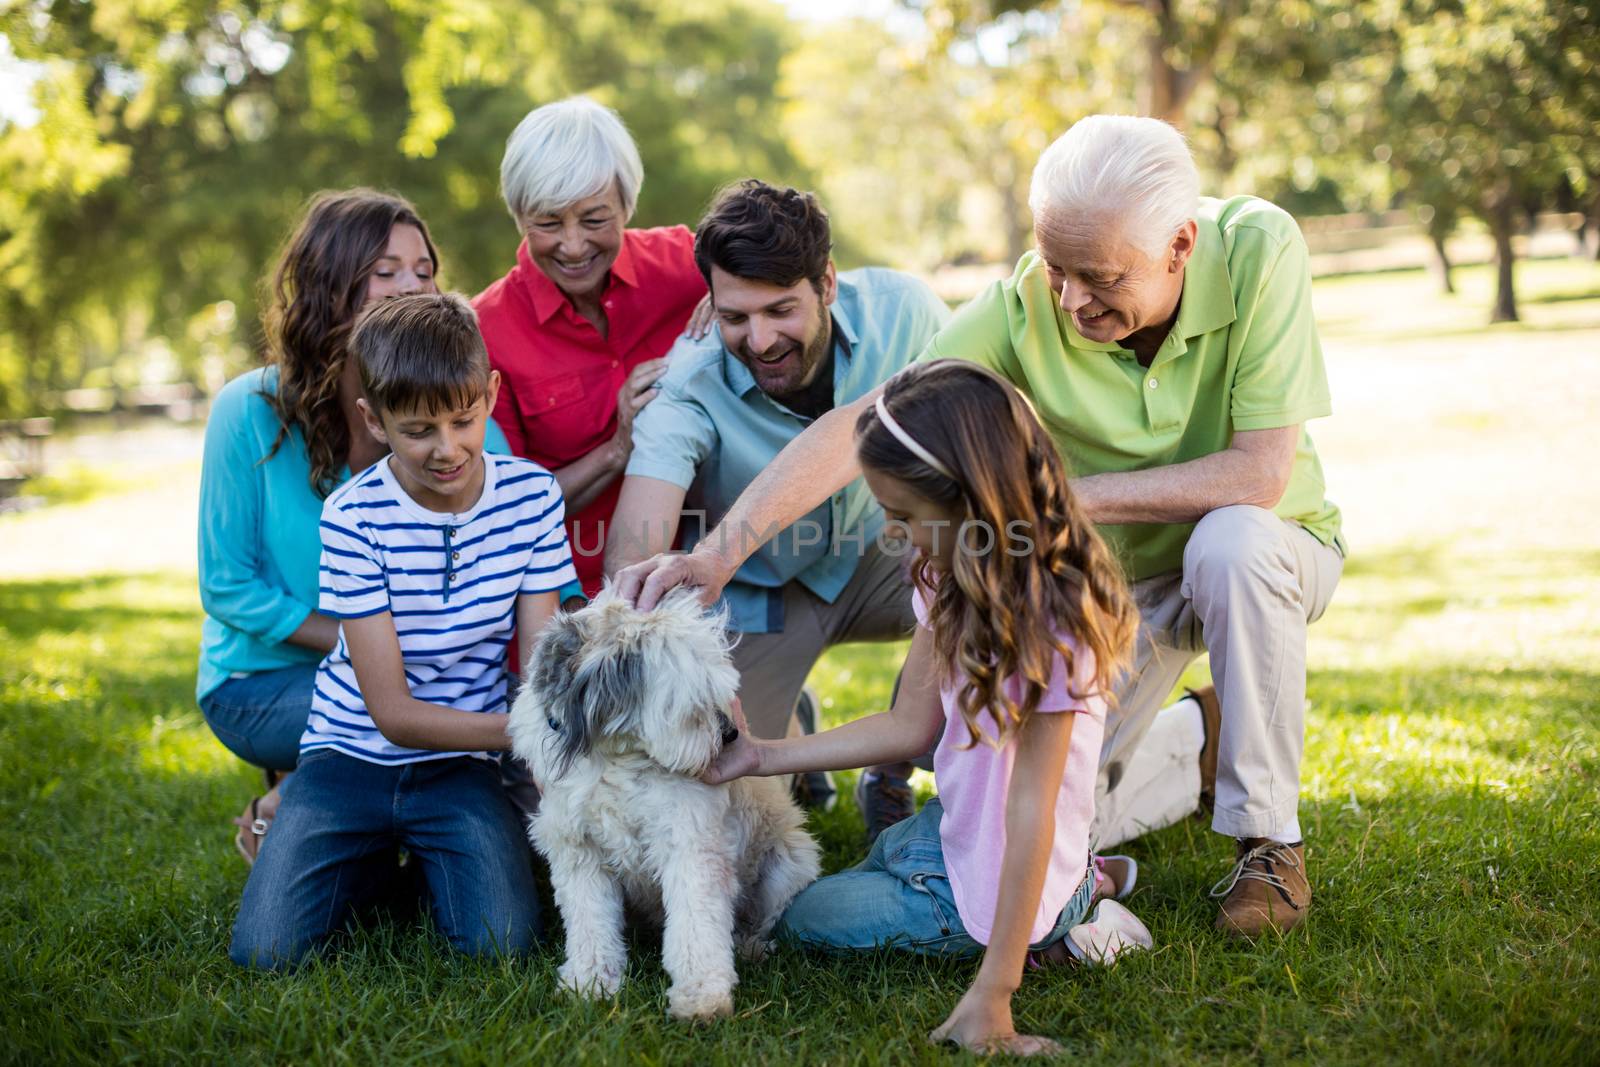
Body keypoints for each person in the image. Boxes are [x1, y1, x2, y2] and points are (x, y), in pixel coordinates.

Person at [620, 115, 1344, 938]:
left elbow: (1258, 475)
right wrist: (717, 554)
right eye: (1056, 267)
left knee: (1232, 540)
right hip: (1116, 590)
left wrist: (1057, 502)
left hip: (1262, 552)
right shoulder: (1022, 305)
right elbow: (864, 424)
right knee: (1057, 816)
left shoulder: (1259, 249)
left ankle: (1266, 843)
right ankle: (1197, 739)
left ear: (1179, 245)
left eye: (1099, 276)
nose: (1071, 299)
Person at [705, 361, 1145, 1056]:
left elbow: (1032, 808)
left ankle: (1063, 917)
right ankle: (1076, 887)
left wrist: (993, 994)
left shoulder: (1053, 620)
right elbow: (909, 727)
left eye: (904, 514)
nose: (889, 532)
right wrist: (762, 753)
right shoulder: (945, 573)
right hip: (952, 832)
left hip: (996, 869)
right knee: (882, 855)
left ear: (970, 500)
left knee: (801, 918)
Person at [229, 292, 575, 969]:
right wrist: (526, 730)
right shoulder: (354, 517)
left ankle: (424, 856)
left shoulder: (533, 498)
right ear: (374, 419)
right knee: (266, 953)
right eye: (418, 428)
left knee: (502, 943)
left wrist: (543, 744)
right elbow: (390, 713)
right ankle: (319, 826)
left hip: (459, 765)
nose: (447, 449)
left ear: (491, 395)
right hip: (347, 756)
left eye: (463, 420)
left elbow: (539, 667)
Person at [603, 179, 950, 834]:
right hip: (759, 592)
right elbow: (636, 540)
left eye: (779, 311)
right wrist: (645, 593)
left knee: (986, 571)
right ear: (710, 303)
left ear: (826, 282)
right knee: (727, 806)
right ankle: (794, 719)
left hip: (887, 561)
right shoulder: (690, 378)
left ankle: (896, 763)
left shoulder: (909, 313)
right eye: (735, 317)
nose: (759, 341)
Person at [197, 188, 517, 863]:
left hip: (421, 674)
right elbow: (228, 589)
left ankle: (310, 800)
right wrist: (365, 645)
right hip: (265, 683)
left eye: (424, 271)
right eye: (386, 270)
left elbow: (516, 525)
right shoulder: (247, 411)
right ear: (332, 285)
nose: (412, 286)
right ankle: (301, 800)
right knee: (401, 719)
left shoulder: (454, 423)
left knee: (429, 717)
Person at [475, 96, 709, 596]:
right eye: (548, 222)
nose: (575, 245)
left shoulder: (687, 264)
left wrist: (728, 296)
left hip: (706, 564)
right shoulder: (486, 330)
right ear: (518, 216)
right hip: (565, 591)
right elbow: (505, 512)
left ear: (627, 205)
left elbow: (780, 286)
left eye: (595, 219)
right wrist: (617, 448)